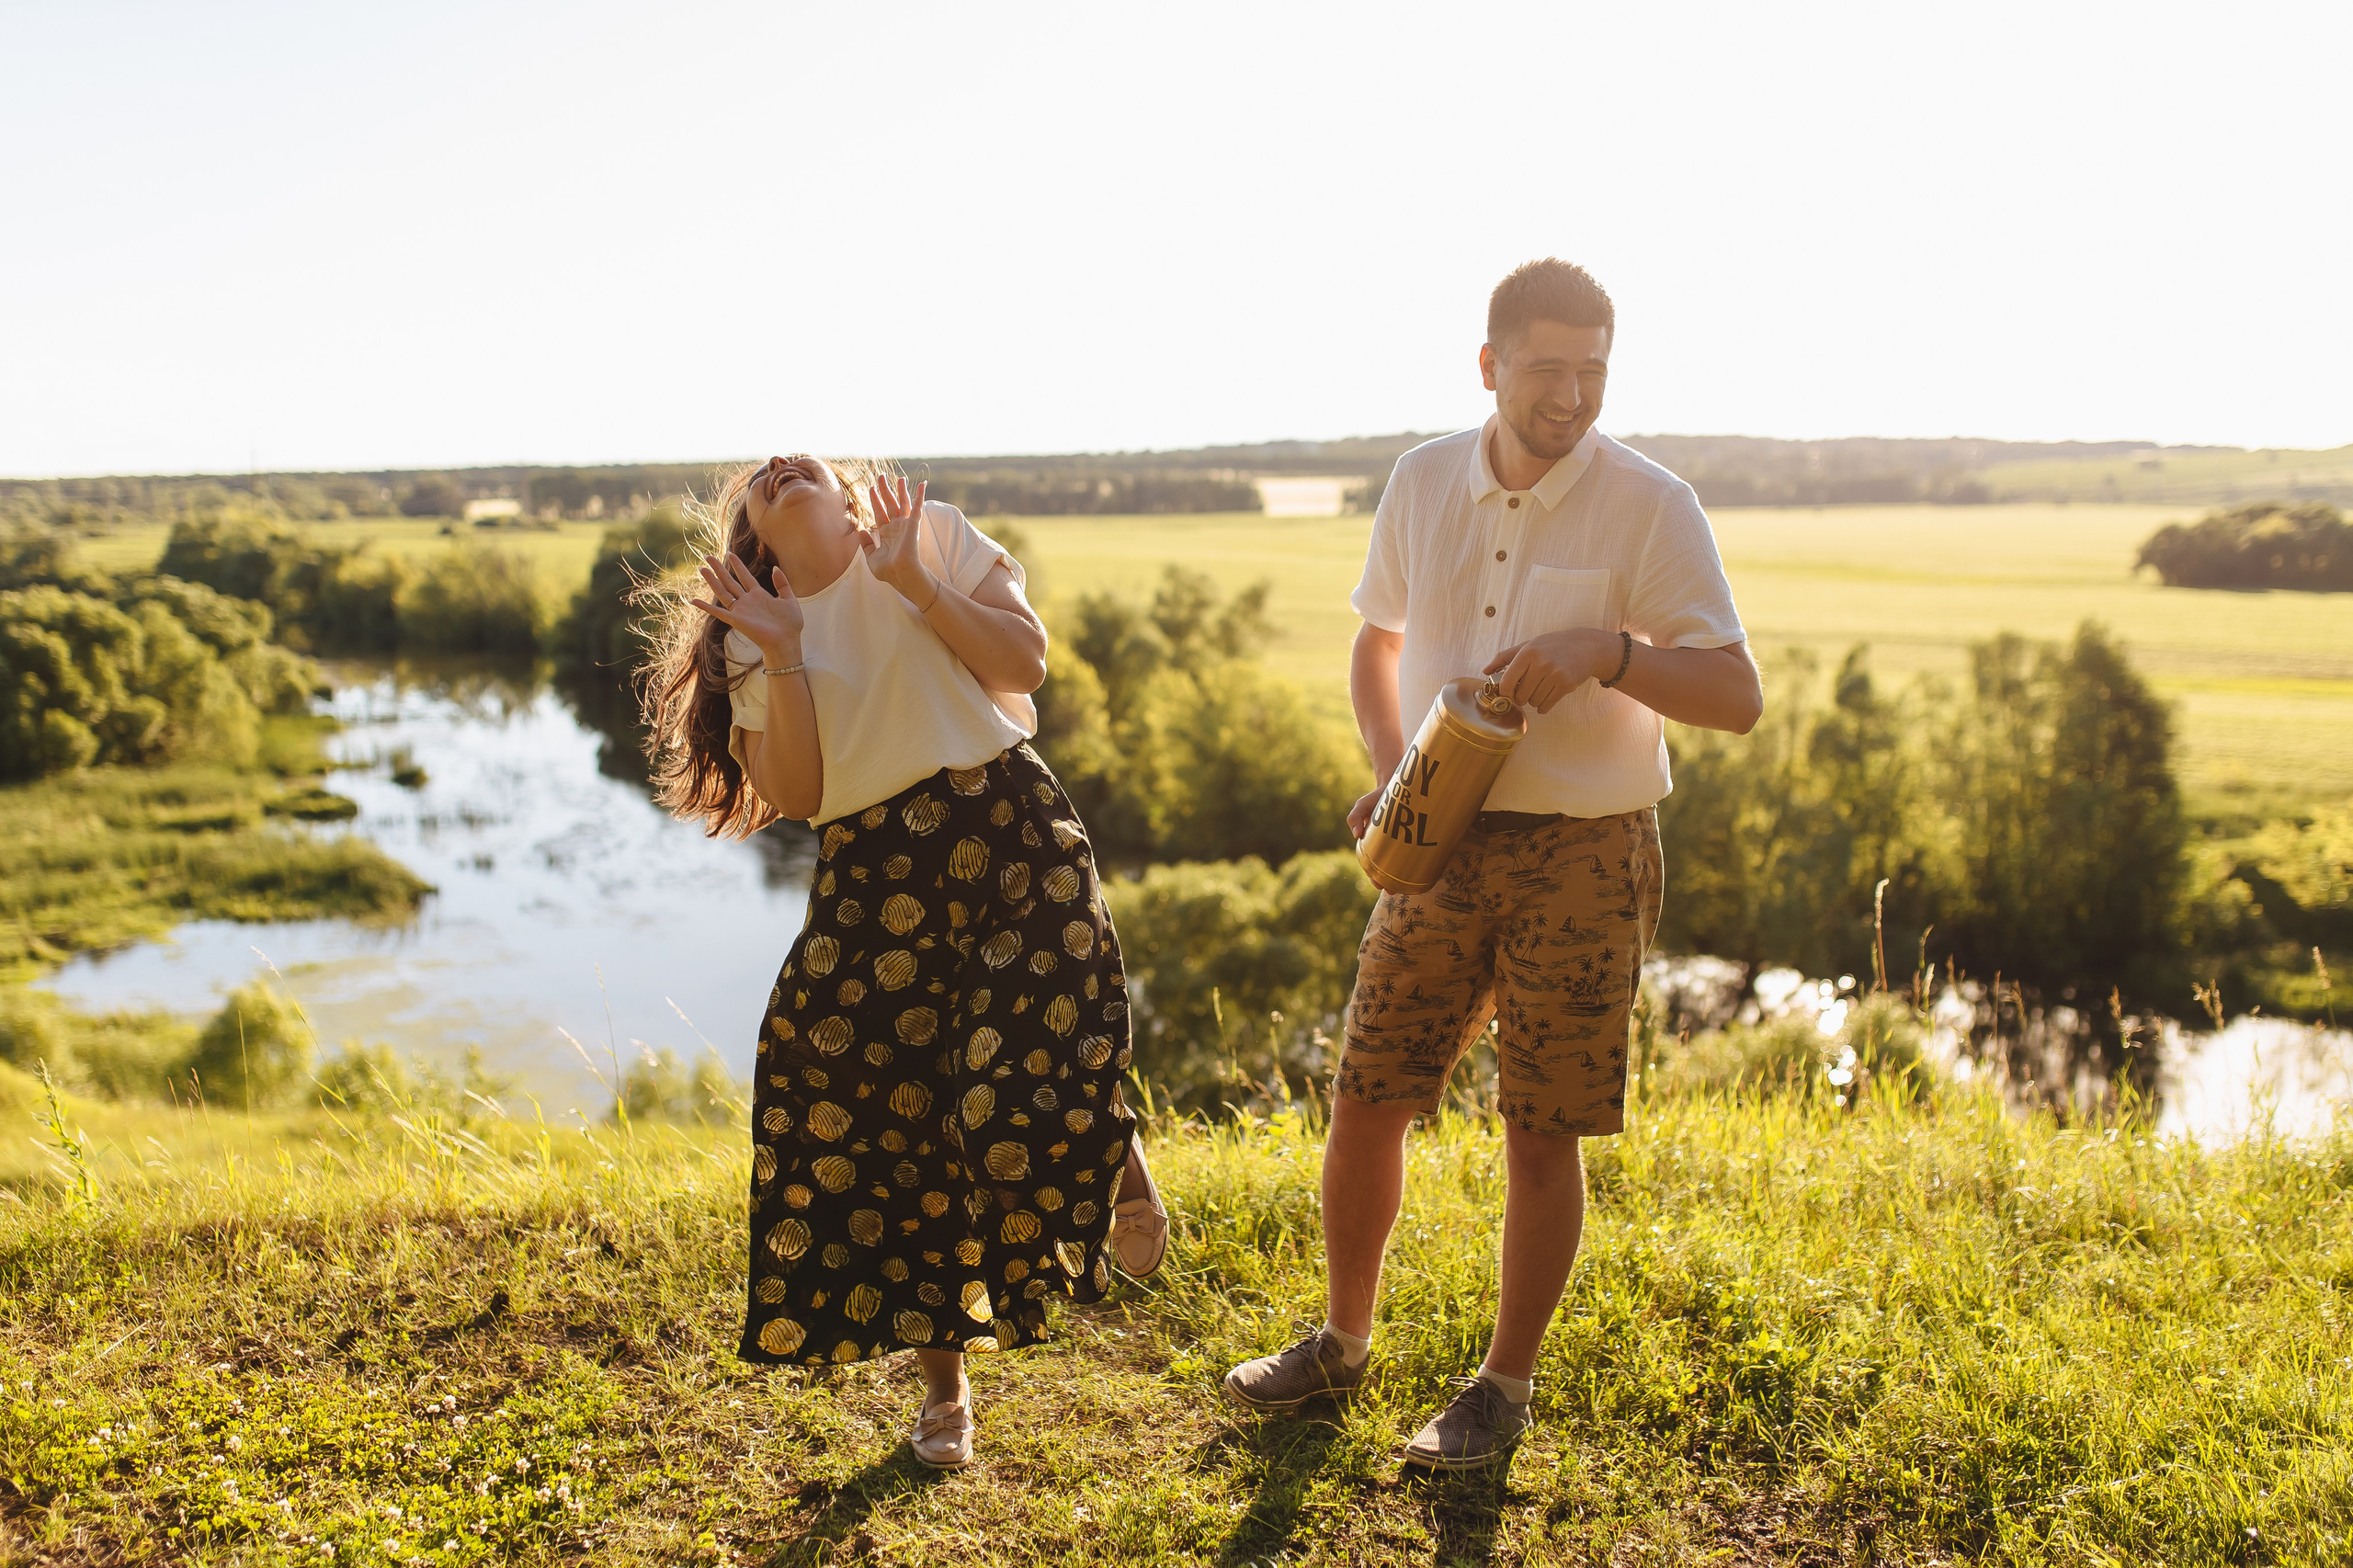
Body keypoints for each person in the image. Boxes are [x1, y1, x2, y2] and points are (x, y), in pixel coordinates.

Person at [1222, 259, 1763, 1469]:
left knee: (1539, 1128)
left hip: (1585, 851)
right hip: (1435, 835)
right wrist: (1386, 764)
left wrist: (1610, 652)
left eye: (1593, 370)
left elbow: (1736, 693)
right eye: (1547, 367)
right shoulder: (1422, 480)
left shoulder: (1654, 503)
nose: (1572, 393)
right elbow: (1379, 640)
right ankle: (1341, 1341)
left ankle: (1502, 1388)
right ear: (1491, 365)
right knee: (1367, 1094)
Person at [641, 455, 1171, 1470]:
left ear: (847, 495)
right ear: (755, 530)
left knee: (1019, 1061)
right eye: (762, 478)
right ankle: (944, 1390)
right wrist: (784, 651)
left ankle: (1114, 1158)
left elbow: (1023, 665)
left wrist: (916, 583)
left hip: (1007, 823)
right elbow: (797, 790)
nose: (781, 466)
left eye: (804, 463)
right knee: (885, 1117)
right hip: (875, 870)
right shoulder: (759, 627)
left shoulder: (930, 535)